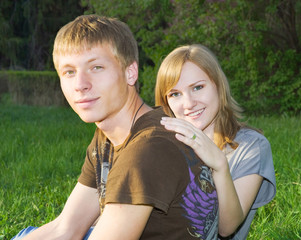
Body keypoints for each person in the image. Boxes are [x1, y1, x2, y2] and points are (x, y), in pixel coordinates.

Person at [11, 16, 219, 240]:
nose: (80, 84)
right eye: (69, 72)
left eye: (96, 67)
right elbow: (66, 228)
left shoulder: (149, 149)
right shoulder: (108, 134)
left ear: (130, 72)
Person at [155, 44, 276, 239]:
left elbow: (227, 228)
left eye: (197, 87)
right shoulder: (162, 145)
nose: (188, 103)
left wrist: (220, 165)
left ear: (219, 86)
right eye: (175, 94)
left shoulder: (251, 147)